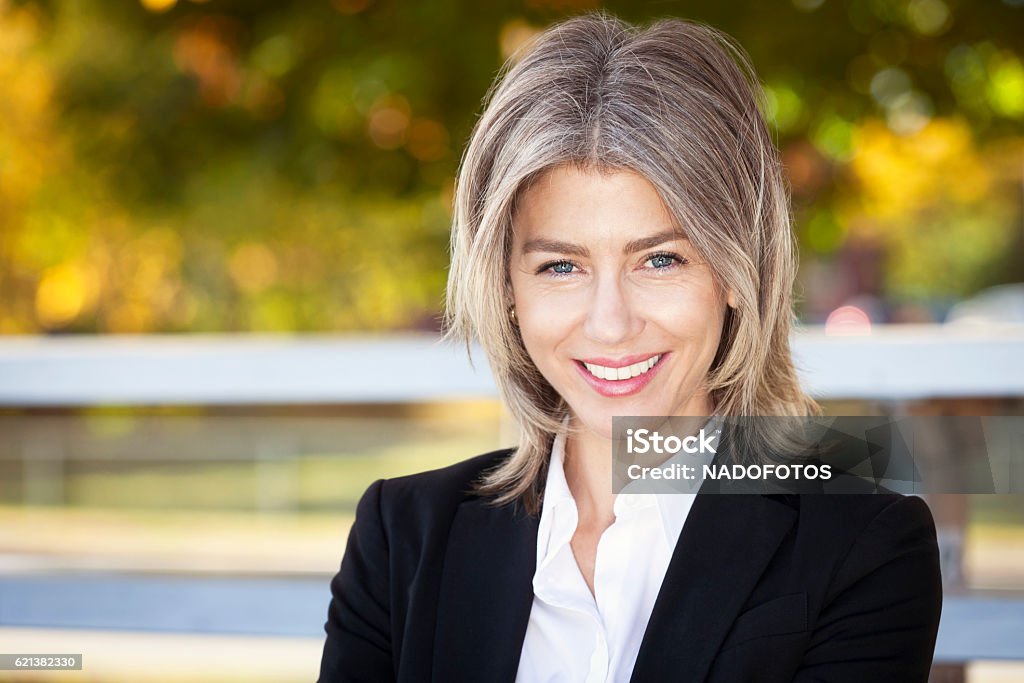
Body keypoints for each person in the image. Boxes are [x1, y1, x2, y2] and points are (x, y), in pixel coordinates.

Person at [318, 12, 942, 683]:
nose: (610, 324)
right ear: (506, 286)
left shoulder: (865, 548)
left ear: (738, 273)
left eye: (661, 260)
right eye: (561, 266)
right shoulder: (400, 537)